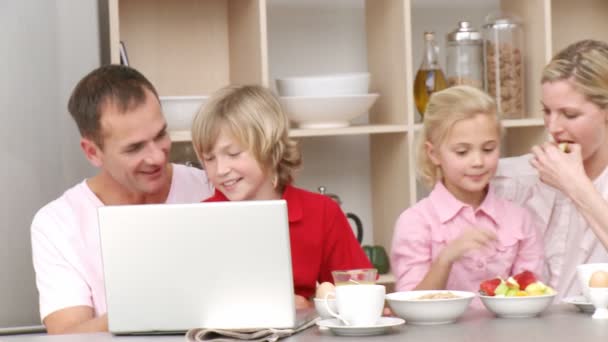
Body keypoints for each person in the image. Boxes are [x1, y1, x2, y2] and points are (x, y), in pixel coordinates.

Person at [30, 65, 214, 334]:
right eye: (135, 147)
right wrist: (156, 305)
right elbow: (68, 336)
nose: (158, 157)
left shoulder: (210, 188)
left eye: (161, 134)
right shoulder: (58, 223)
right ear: (92, 152)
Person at [190, 84, 372, 309]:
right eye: (209, 158)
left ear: (270, 148)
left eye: (233, 154)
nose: (220, 170)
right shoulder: (199, 218)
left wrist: (307, 308)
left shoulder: (322, 212)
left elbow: (361, 296)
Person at [390, 85, 544, 293]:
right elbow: (410, 305)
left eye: (488, 149)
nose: (478, 161)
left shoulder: (520, 219)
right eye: (462, 152)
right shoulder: (415, 223)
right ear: (434, 154)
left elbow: (530, 295)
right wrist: (445, 259)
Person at [493, 39, 608, 300]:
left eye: (570, 114)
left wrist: (575, 185)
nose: (553, 127)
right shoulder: (514, 179)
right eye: (547, 111)